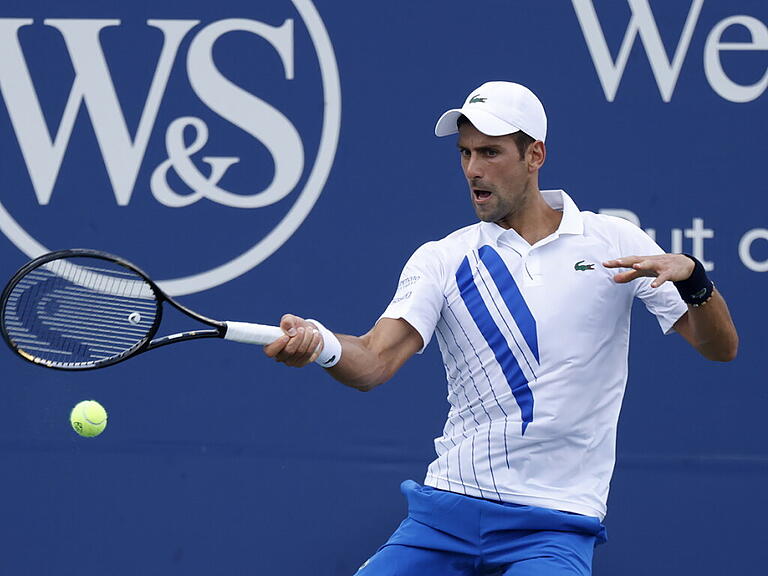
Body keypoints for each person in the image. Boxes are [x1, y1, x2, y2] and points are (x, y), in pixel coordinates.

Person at [263, 81, 738, 575]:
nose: (473, 169)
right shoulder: (442, 258)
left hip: (553, 527)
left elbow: (720, 347)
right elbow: (374, 360)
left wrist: (695, 282)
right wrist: (321, 345)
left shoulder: (612, 242)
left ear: (535, 155)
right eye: (465, 153)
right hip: (445, 515)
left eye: (490, 152)